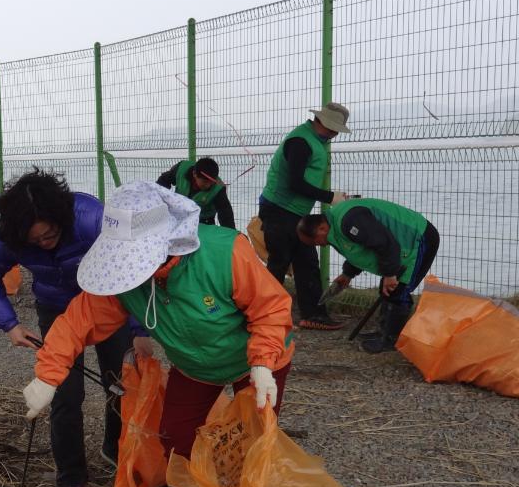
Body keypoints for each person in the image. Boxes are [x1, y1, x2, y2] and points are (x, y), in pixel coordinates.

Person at [23, 181, 294, 487]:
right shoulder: (127, 281)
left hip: (256, 362)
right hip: (196, 365)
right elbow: (79, 320)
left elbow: (270, 308)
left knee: (252, 442)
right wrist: (48, 375)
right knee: (176, 437)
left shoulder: (223, 251)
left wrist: (263, 363)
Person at [0, 169, 153, 487]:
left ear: (61, 218)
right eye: (35, 241)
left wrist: (139, 329)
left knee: (119, 383)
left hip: (108, 303)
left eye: (50, 234)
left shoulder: (91, 218)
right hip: (56, 311)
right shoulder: (8, 236)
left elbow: (134, 269)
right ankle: (71, 477)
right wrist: (9, 324)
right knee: (65, 395)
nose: (44, 243)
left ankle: (116, 451)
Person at [297, 198, 439, 353]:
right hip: (397, 246)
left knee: (399, 291)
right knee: (388, 290)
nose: (320, 245)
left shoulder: (350, 220)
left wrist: (390, 274)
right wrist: (347, 274)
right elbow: (359, 249)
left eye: (316, 242)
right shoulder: (335, 227)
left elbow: (384, 243)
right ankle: (384, 332)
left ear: (322, 228)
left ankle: (391, 340)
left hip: (417, 238)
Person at [258, 102, 353, 331]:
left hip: (294, 211)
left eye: (335, 131)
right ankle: (262, 314)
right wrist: (330, 197)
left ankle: (312, 314)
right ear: (321, 122)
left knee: (306, 263)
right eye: (332, 130)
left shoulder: (313, 140)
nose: (333, 135)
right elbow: (295, 183)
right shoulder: (300, 142)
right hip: (280, 209)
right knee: (279, 263)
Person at [156, 157, 235, 229]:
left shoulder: (218, 189)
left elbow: (225, 214)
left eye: (211, 182)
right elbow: (163, 182)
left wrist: (231, 235)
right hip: (179, 216)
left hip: (204, 222)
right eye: (205, 182)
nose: (208, 185)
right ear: (194, 174)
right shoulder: (181, 169)